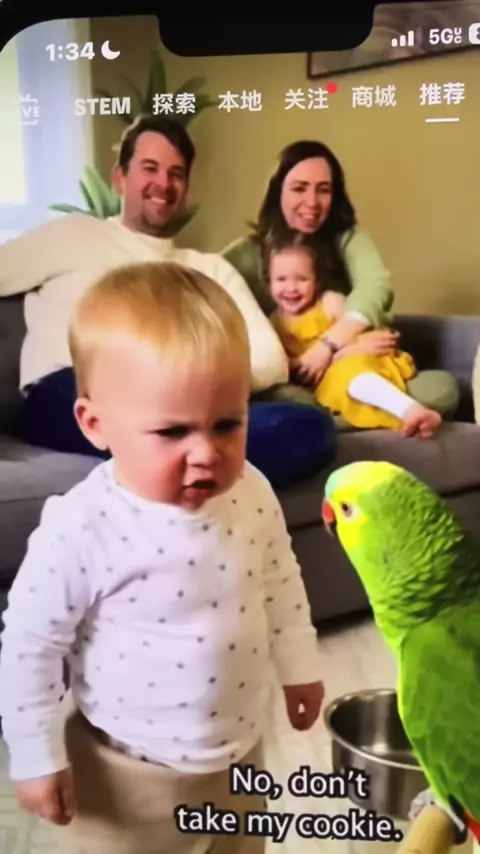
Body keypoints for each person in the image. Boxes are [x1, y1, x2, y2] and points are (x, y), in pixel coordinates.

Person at [0, 261, 324, 854]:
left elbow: (281, 578)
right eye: (173, 432)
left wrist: (300, 663)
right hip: (127, 776)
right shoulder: (83, 525)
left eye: (227, 424)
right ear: (95, 424)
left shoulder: (252, 490)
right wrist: (35, 753)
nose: (206, 453)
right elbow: (30, 645)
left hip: (238, 756)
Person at [222, 140, 459, 417]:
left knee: (441, 390)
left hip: (360, 364)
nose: (312, 202)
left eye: (323, 190)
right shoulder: (247, 253)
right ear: (277, 191)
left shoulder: (348, 242)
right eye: (299, 188)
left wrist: (331, 348)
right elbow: (204, 285)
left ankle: (344, 419)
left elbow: (375, 287)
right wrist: (333, 353)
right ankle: (350, 419)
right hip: (298, 382)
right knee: (292, 403)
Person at [267, 234, 441, 438]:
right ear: (269, 282)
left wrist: (338, 355)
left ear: (317, 281)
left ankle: (413, 411)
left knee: (349, 372)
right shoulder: (274, 323)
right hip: (329, 381)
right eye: (281, 279)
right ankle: (411, 418)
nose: (291, 288)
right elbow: (288, 367)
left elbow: (366, 336)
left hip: (363, 361)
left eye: (301, 279)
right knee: (339, 385)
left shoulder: (330, 302)